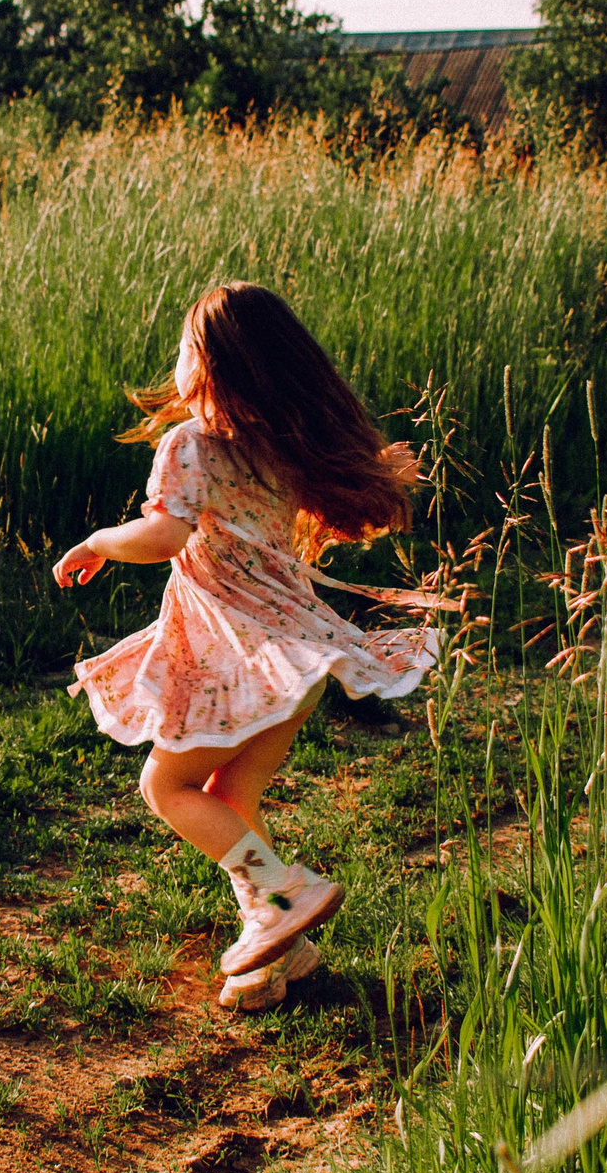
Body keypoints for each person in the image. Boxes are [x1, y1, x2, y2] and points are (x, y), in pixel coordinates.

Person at [52, 282, 448, 1012]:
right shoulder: (279, 447)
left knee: (164, 788)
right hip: (296, 660)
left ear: (209, 364)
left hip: (244, 659)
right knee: (231, 799)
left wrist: (99, 541)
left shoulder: (189, 445)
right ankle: (278, 954)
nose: (175, 360)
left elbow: (164, 535)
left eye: (183, 348)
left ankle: (288, 892)